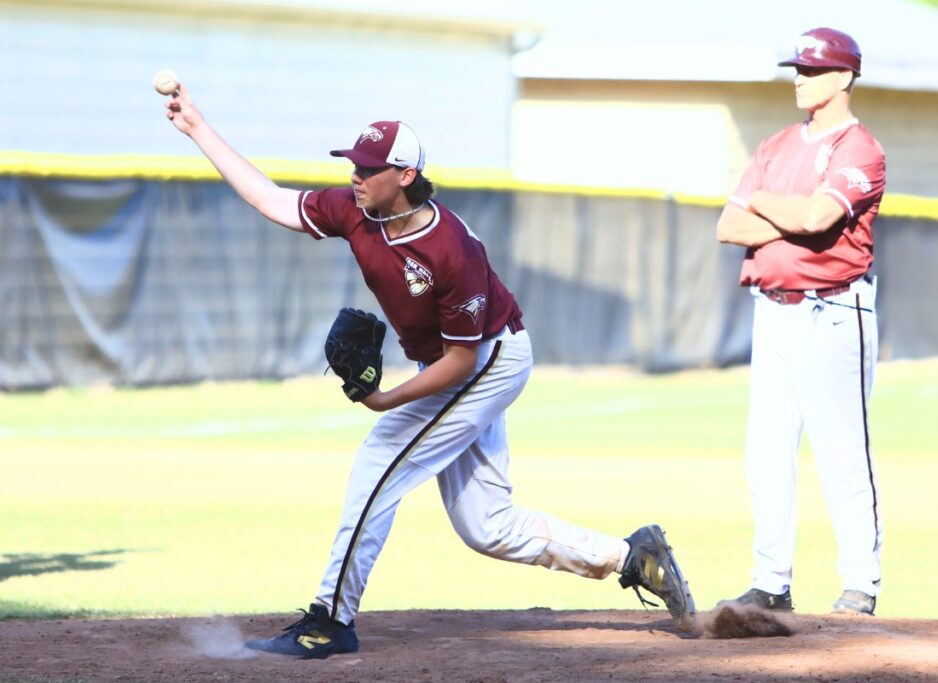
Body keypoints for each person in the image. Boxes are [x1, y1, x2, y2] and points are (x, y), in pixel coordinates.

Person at [163, 84, 697, 657]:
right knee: (485, 526)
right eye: (353, 165)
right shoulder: (355, 211)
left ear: (405, 174)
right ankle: (631, 556)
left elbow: (462, 361)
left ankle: (330, 620)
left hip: (488, 360)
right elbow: (269, 199)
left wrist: (385, 400)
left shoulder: (450, 249)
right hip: (452, 362)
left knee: (378, 461)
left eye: (369, 168)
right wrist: (197, 128)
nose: (355, 176)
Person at [714, 27, 886, 616]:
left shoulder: (860, 149)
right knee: (765, 452)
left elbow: (818, 216)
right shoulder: (777, 144)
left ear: (844, 77)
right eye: (798, 69)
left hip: (833, 310)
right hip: (773, 311)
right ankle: (770, 583)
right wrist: (778, 212)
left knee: (842, 453)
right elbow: (727, 227)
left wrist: (760, 202)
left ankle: (860, 584)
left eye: (813, 71)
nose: (800, 79)